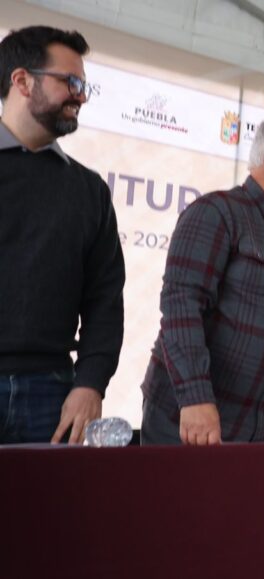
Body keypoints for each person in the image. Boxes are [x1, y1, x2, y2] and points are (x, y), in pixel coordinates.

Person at [140, 116, 264, 445]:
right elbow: (181, 309)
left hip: (260, 429)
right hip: (191, 420)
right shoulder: (215, 214)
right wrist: (194, 396)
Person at [0, 26, 125, 444]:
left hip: (52, 394)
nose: (81, 96)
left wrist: (91, 384)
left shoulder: (89, 190)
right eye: (70, 82)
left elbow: (104, 300)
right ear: (22, 81)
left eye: (84, 86)